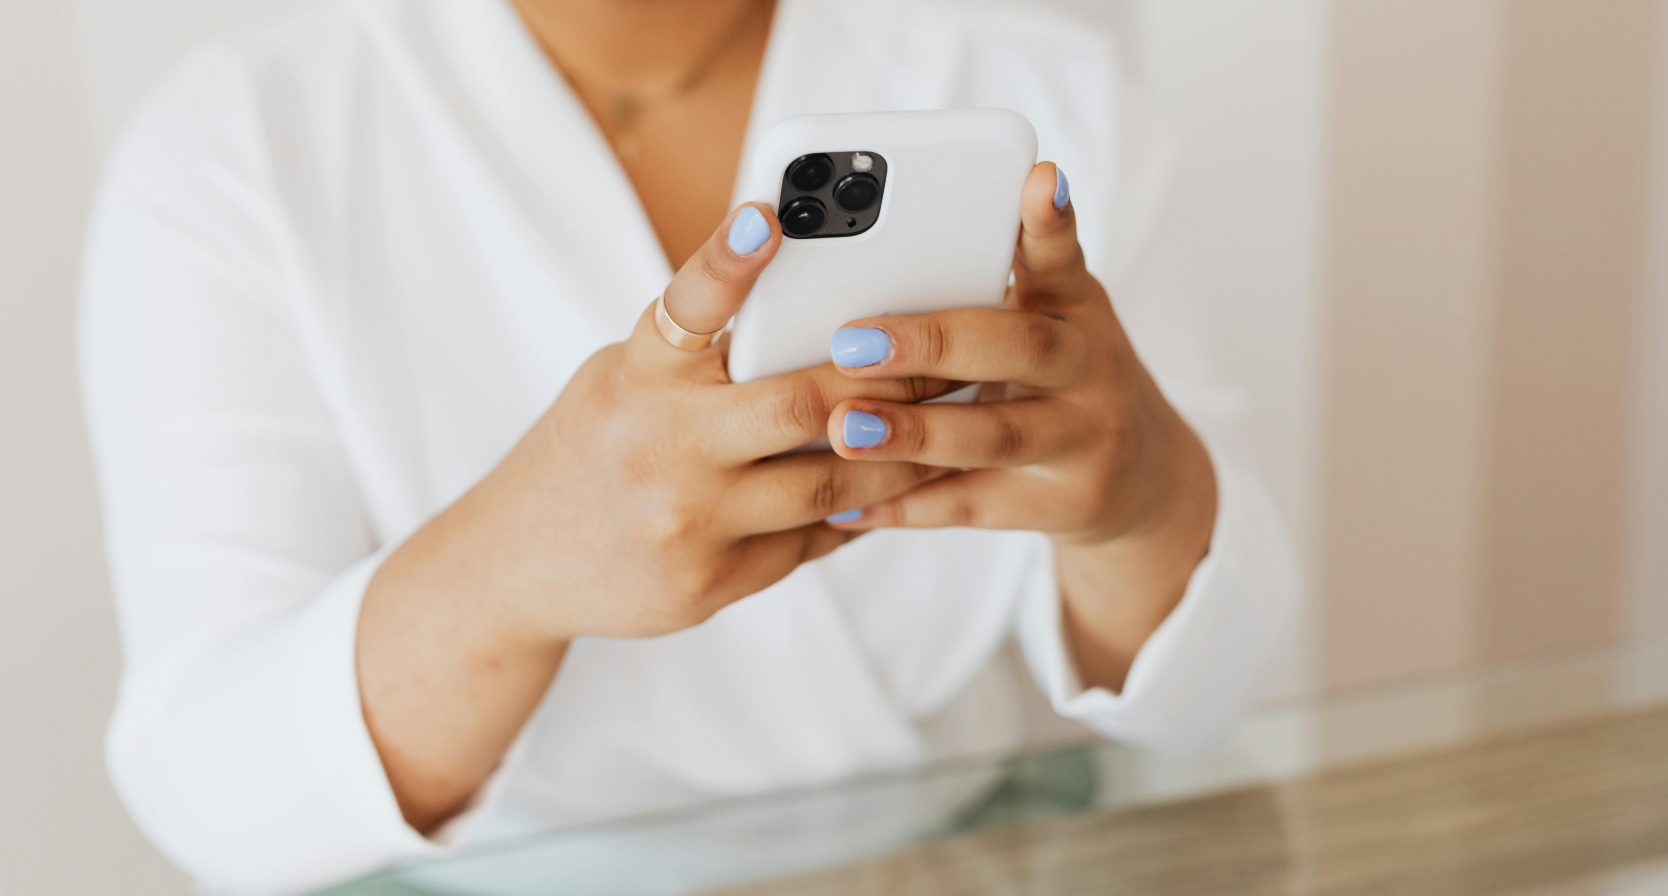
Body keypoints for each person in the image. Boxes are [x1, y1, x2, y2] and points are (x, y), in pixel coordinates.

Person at [81, 0, 1296, 890]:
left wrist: (1139, 501)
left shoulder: (1036, 93)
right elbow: (213, 793)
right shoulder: (238, 146)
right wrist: (506, 569)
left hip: (958, 857)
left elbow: (1210, 690)